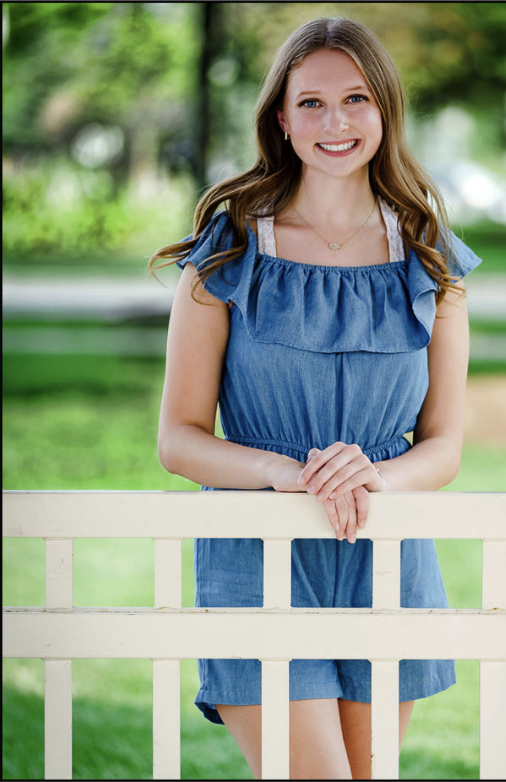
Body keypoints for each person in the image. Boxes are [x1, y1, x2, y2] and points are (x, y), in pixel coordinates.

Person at [149, 16, 481, 781]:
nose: (336, 122)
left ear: (385, 110)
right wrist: (285, 473)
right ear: (280, 119)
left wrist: (373, 477)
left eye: (357, 98)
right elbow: (179, 438)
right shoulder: (229, 251)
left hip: (385, 554)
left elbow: (444, 446)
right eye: (312, 103)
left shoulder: (429, 257)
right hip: (253, 557)